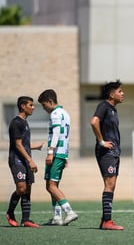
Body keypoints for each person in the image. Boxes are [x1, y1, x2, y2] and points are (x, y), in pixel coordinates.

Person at [38, 89, 78, 226]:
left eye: (44, 105)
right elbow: (65, 136)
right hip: (61, 153)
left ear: (50, 101)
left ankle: (70, 212)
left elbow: (56, 133)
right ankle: (57, 217)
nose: (44, 109)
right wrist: (65, 155)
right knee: (52, 185)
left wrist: (50, 152)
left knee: (51, 186)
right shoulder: (65, 113)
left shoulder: (55, 114)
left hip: (55, 154)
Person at [90, 80, 125, 230]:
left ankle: (105, 220)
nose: (123, 93)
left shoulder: (113, 109)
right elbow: (94, 122)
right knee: (109, 185)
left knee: (112, 185)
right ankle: (107, 221)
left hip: (114, 152)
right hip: (106, 152)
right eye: (120, 91)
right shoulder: (103, 106)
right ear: (112, 94)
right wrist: (101, 141)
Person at [6, 96, 44, 227]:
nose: (33, 107)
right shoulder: (16, 122)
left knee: (27, 189)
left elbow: (24, 144)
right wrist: (31, 160)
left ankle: (26, 219)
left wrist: (35, 147)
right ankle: (10, 213)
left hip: (25, 160)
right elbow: (17, 145)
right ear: (23, 106)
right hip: (17, 160)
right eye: (31, 105)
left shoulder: (25, 122)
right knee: (21, 188)